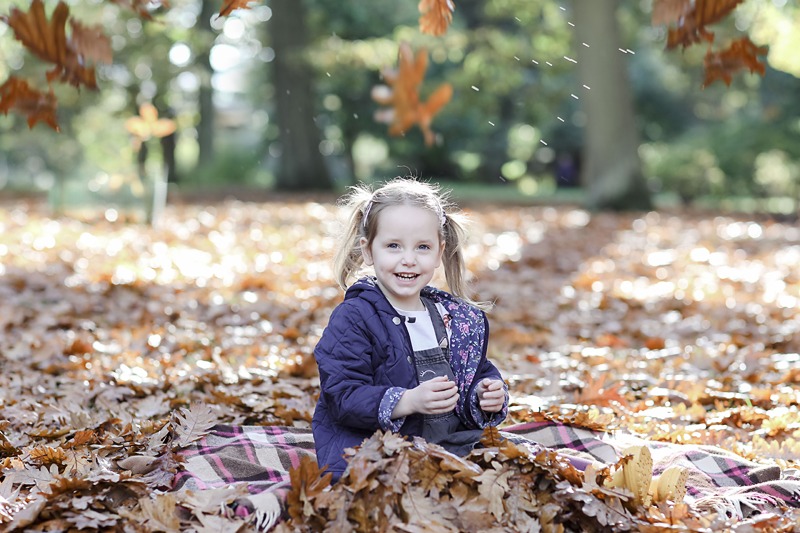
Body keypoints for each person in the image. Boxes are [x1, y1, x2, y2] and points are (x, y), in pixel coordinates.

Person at [312, 177, 508, 481]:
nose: (408, 260)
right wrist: (407, 401)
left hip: (451, 448)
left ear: (439, 251)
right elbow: (343, 395)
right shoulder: (355, 317)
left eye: (422, 247)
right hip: (378, 454)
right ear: (367, 250)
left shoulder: (448, 317)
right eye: (393, 246)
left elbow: (475, 371)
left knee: (513, 470)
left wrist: (485, 393)